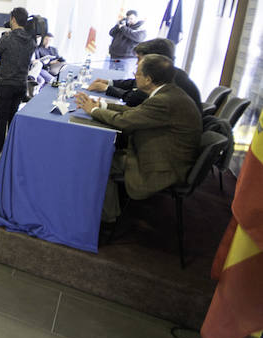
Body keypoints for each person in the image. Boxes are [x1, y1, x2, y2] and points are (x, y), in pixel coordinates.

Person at [75, 54, 202, 223]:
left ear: (148, 79)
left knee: (98, 159)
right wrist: (101, 105)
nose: (134, 76)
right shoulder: (169, 92)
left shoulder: (165, 100)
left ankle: (107, 217)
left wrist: (93, 111)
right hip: (167, 155)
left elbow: (124, 121)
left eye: (138, 73)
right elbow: (136, 113)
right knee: (106, 152)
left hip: (161, 168)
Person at [0, 8, 36, 160]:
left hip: (5, 83)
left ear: (13, 19)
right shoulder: (32, 40)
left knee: (1, 118)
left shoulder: (8, 38)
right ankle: (12, 150)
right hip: (21, 84)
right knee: (12, 117)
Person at [87, 38, 202, 112]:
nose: (137, 63)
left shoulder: (170, 81)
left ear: (154, 60)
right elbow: (134, 83)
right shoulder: (172, 72)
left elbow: (134, 100)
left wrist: (105, 92)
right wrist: (110, 83)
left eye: (139, 59)